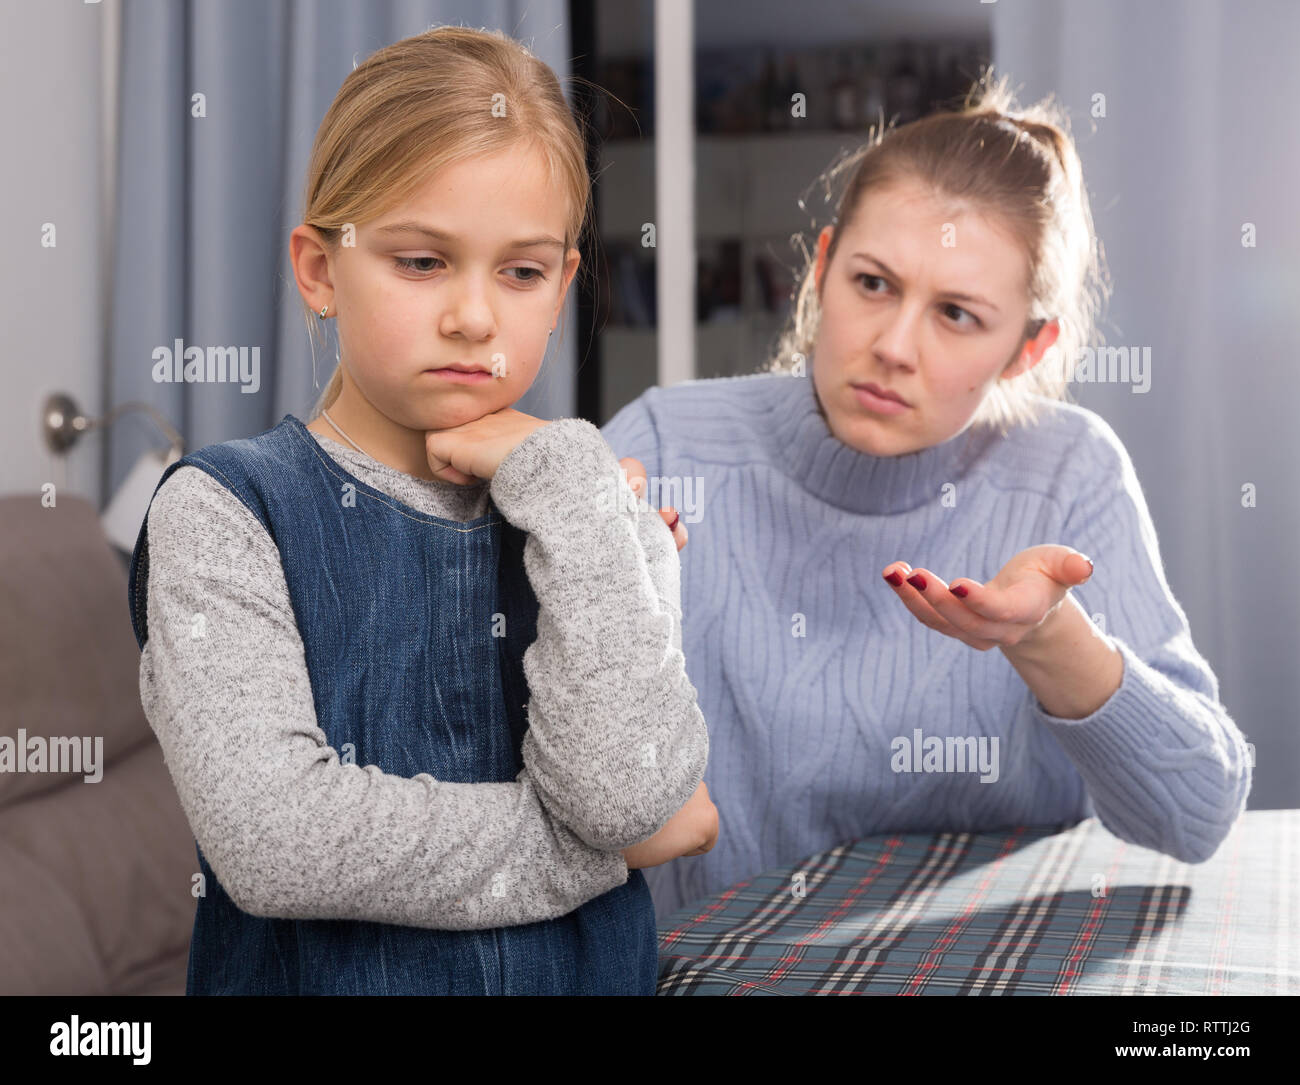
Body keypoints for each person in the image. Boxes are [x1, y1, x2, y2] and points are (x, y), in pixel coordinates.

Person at [126, 25, 717, 996]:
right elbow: (278, 841)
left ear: (561, 285)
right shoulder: (226, 512)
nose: (473, 317)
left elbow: (628, 789)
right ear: (320, 270)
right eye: (421, 261)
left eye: (520, 272)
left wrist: (573, 492)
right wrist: (601, 853)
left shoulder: (594, 509)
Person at [601, 72, 1252, 922]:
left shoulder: (1069, 475)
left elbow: (1197, 814)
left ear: (1027, 346)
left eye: (956, 314)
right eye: (873, 283)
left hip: (991, 968)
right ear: (822, 266)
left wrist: (1051, 637)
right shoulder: (666, 444)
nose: (893, 346)